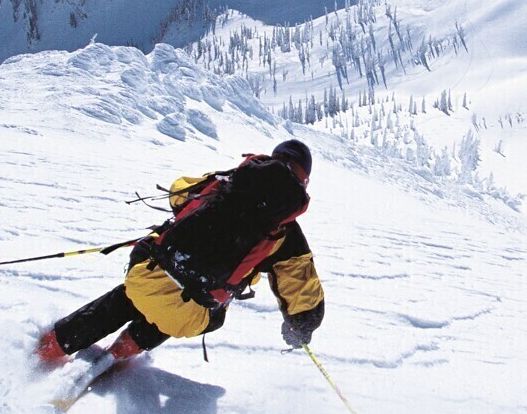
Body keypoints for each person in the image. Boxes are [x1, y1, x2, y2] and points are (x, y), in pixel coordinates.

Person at [35, 139, 324, 365]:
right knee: (210, 309)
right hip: (191, 311)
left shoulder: (229, 182)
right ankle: (128, 346)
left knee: (134, 293)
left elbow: (178, 193)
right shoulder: (286, 235)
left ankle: (54, 344)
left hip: (146, 275)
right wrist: (300, 329)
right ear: (303, 183)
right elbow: (303, 295)